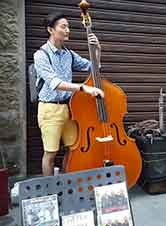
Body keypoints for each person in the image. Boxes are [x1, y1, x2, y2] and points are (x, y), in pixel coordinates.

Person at [34, 12, 104, 176]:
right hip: (50, 110)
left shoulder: (69, 54)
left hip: (70, 109)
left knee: (74, 149)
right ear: (51, 29)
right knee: (50, 154)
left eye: (68, 26)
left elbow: (94, 67)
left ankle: (67, 184)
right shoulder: (41, 55)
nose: (67, 30)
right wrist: (83, 88)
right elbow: (55, 83)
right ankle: (50, 191)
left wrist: (97, 50)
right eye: (63, 26)